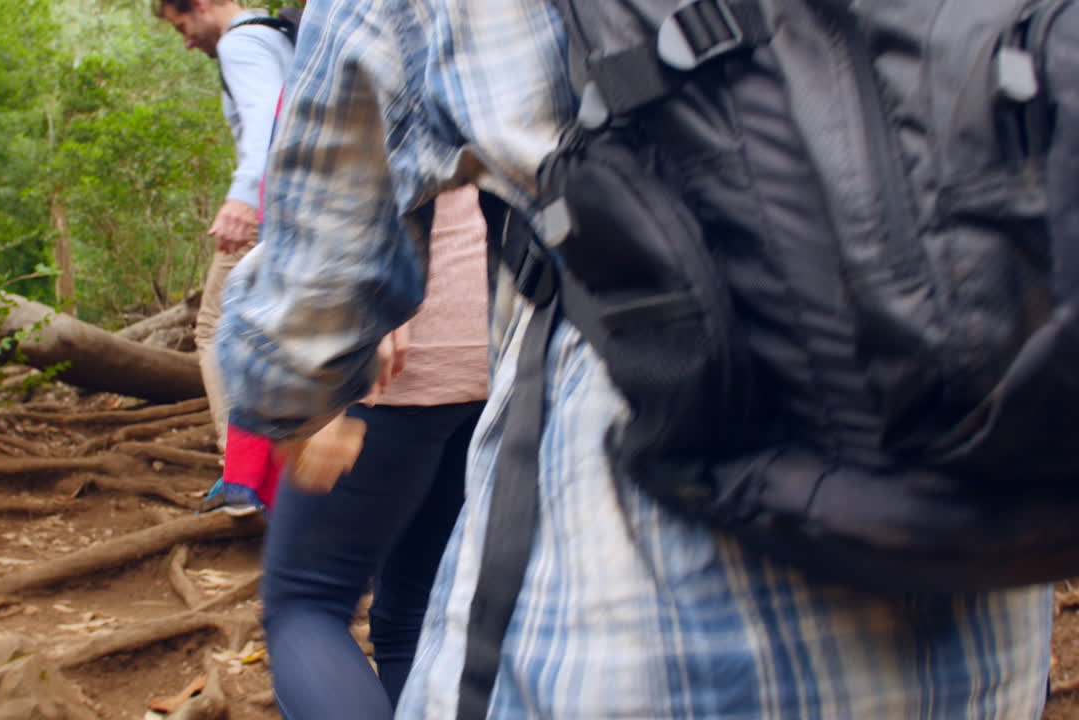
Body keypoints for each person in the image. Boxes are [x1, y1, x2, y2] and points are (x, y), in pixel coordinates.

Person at [217, 1, 1053, 718]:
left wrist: (281, 397)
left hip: (639, 604)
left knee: (308, 602)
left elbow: (313, 296)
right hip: (987, 578)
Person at [259, 184, 488, 719]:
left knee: (305, 607)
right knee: (415, 610)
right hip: (488, 350)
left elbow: (340, 157)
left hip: (385, 361)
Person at [153, 0, 293, 515]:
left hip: (270, 209)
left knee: (214, 327)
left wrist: (243, 197)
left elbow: (267, 119)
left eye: (182, 25)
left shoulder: (240, 42)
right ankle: (278, 469)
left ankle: (240, 471)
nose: (186, 41)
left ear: (203, 5)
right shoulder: (274, 31)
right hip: (306, 209)